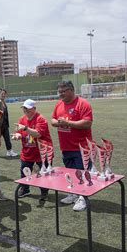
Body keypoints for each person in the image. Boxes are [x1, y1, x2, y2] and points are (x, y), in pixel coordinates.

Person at [50, 80, 93, 211]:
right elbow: (52, 120)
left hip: (81, 148)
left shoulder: (83, 103)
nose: (61, 94)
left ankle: (83, 198)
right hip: (66, 147)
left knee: (83, 173)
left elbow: (87, 123)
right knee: (71, 173)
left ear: (71, 90)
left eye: (63, 91)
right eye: (59, 91)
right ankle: (74, 193)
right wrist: (58, 122)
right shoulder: (59, 105)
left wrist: (69, 123)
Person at [12, 99, 53, 201]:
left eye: (28, 109)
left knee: (44, 173)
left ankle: (44, 192)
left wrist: (25, 129)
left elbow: (37, 134)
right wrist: (17, 136)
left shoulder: (41, 119)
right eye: (24, 108)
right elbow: (19, 133)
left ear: (34, 109)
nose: (25, 111)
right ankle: (25, 189)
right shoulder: (22, 119)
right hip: (27, 152)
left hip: (42, 152)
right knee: (24, 171)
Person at [0, 88, 18, 157]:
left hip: (5, 124)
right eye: (2, 94)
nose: (3, 95)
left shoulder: (4, 102)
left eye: (4, 94)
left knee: (7, 138)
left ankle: (9, 151)